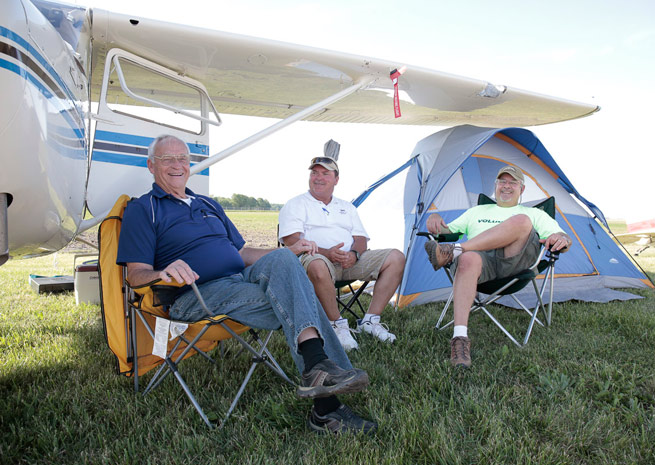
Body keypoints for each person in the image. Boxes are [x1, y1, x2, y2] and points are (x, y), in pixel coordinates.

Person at [116, 134, 376, 434]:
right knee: (299, 295)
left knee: (284, 262)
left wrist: (287, 253)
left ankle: (319, 374)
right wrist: (162, 272)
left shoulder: (207, 204)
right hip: (196, 294)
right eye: (167, 159)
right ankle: (326, 404)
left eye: (183, 159)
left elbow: (242, 253)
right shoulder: (144, 209)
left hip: (239, 279)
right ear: (151, 165)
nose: (178, 165)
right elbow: (135, 276)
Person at [424, 165, 572, 368]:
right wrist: (434, 218)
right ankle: (460, 339)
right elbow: (445, 231)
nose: (507, 186)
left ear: (522, 189)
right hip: (479, 266)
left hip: (513, 266)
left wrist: (561, 238)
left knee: (521, 221)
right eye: (502, 181)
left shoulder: (533, 214)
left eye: (513, 182)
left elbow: (561, 237)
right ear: (495, 185)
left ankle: (456, 250)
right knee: (468, 259)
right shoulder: (477, 211)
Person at [278, 141, 405, 351]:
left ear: (336, 180)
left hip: (348, 261)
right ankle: (336, 325)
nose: (318, 178)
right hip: (315, 261)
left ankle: (370, 321)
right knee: (318, 264)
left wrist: (354, 254)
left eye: (325, 174)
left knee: (396, 257)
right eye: (314, 173)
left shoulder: (347, 207)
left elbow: (361, 238)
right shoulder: (296, 204)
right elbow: (292, 241)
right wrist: (328, 253)